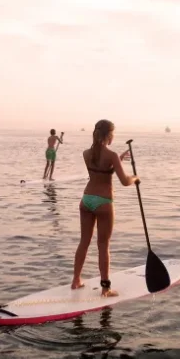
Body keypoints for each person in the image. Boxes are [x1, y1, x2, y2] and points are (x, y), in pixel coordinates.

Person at [70, 120, 139, 297]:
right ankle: (105, 288)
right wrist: (135, 178)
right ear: (109, 135)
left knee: (84, 242)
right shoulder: (111, 155)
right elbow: (125, 182)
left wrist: (118, 161)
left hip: (86, 200)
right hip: (103, 202)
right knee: (103, 245)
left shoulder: (86, 153)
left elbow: (99, 169)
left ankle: (76, 280)